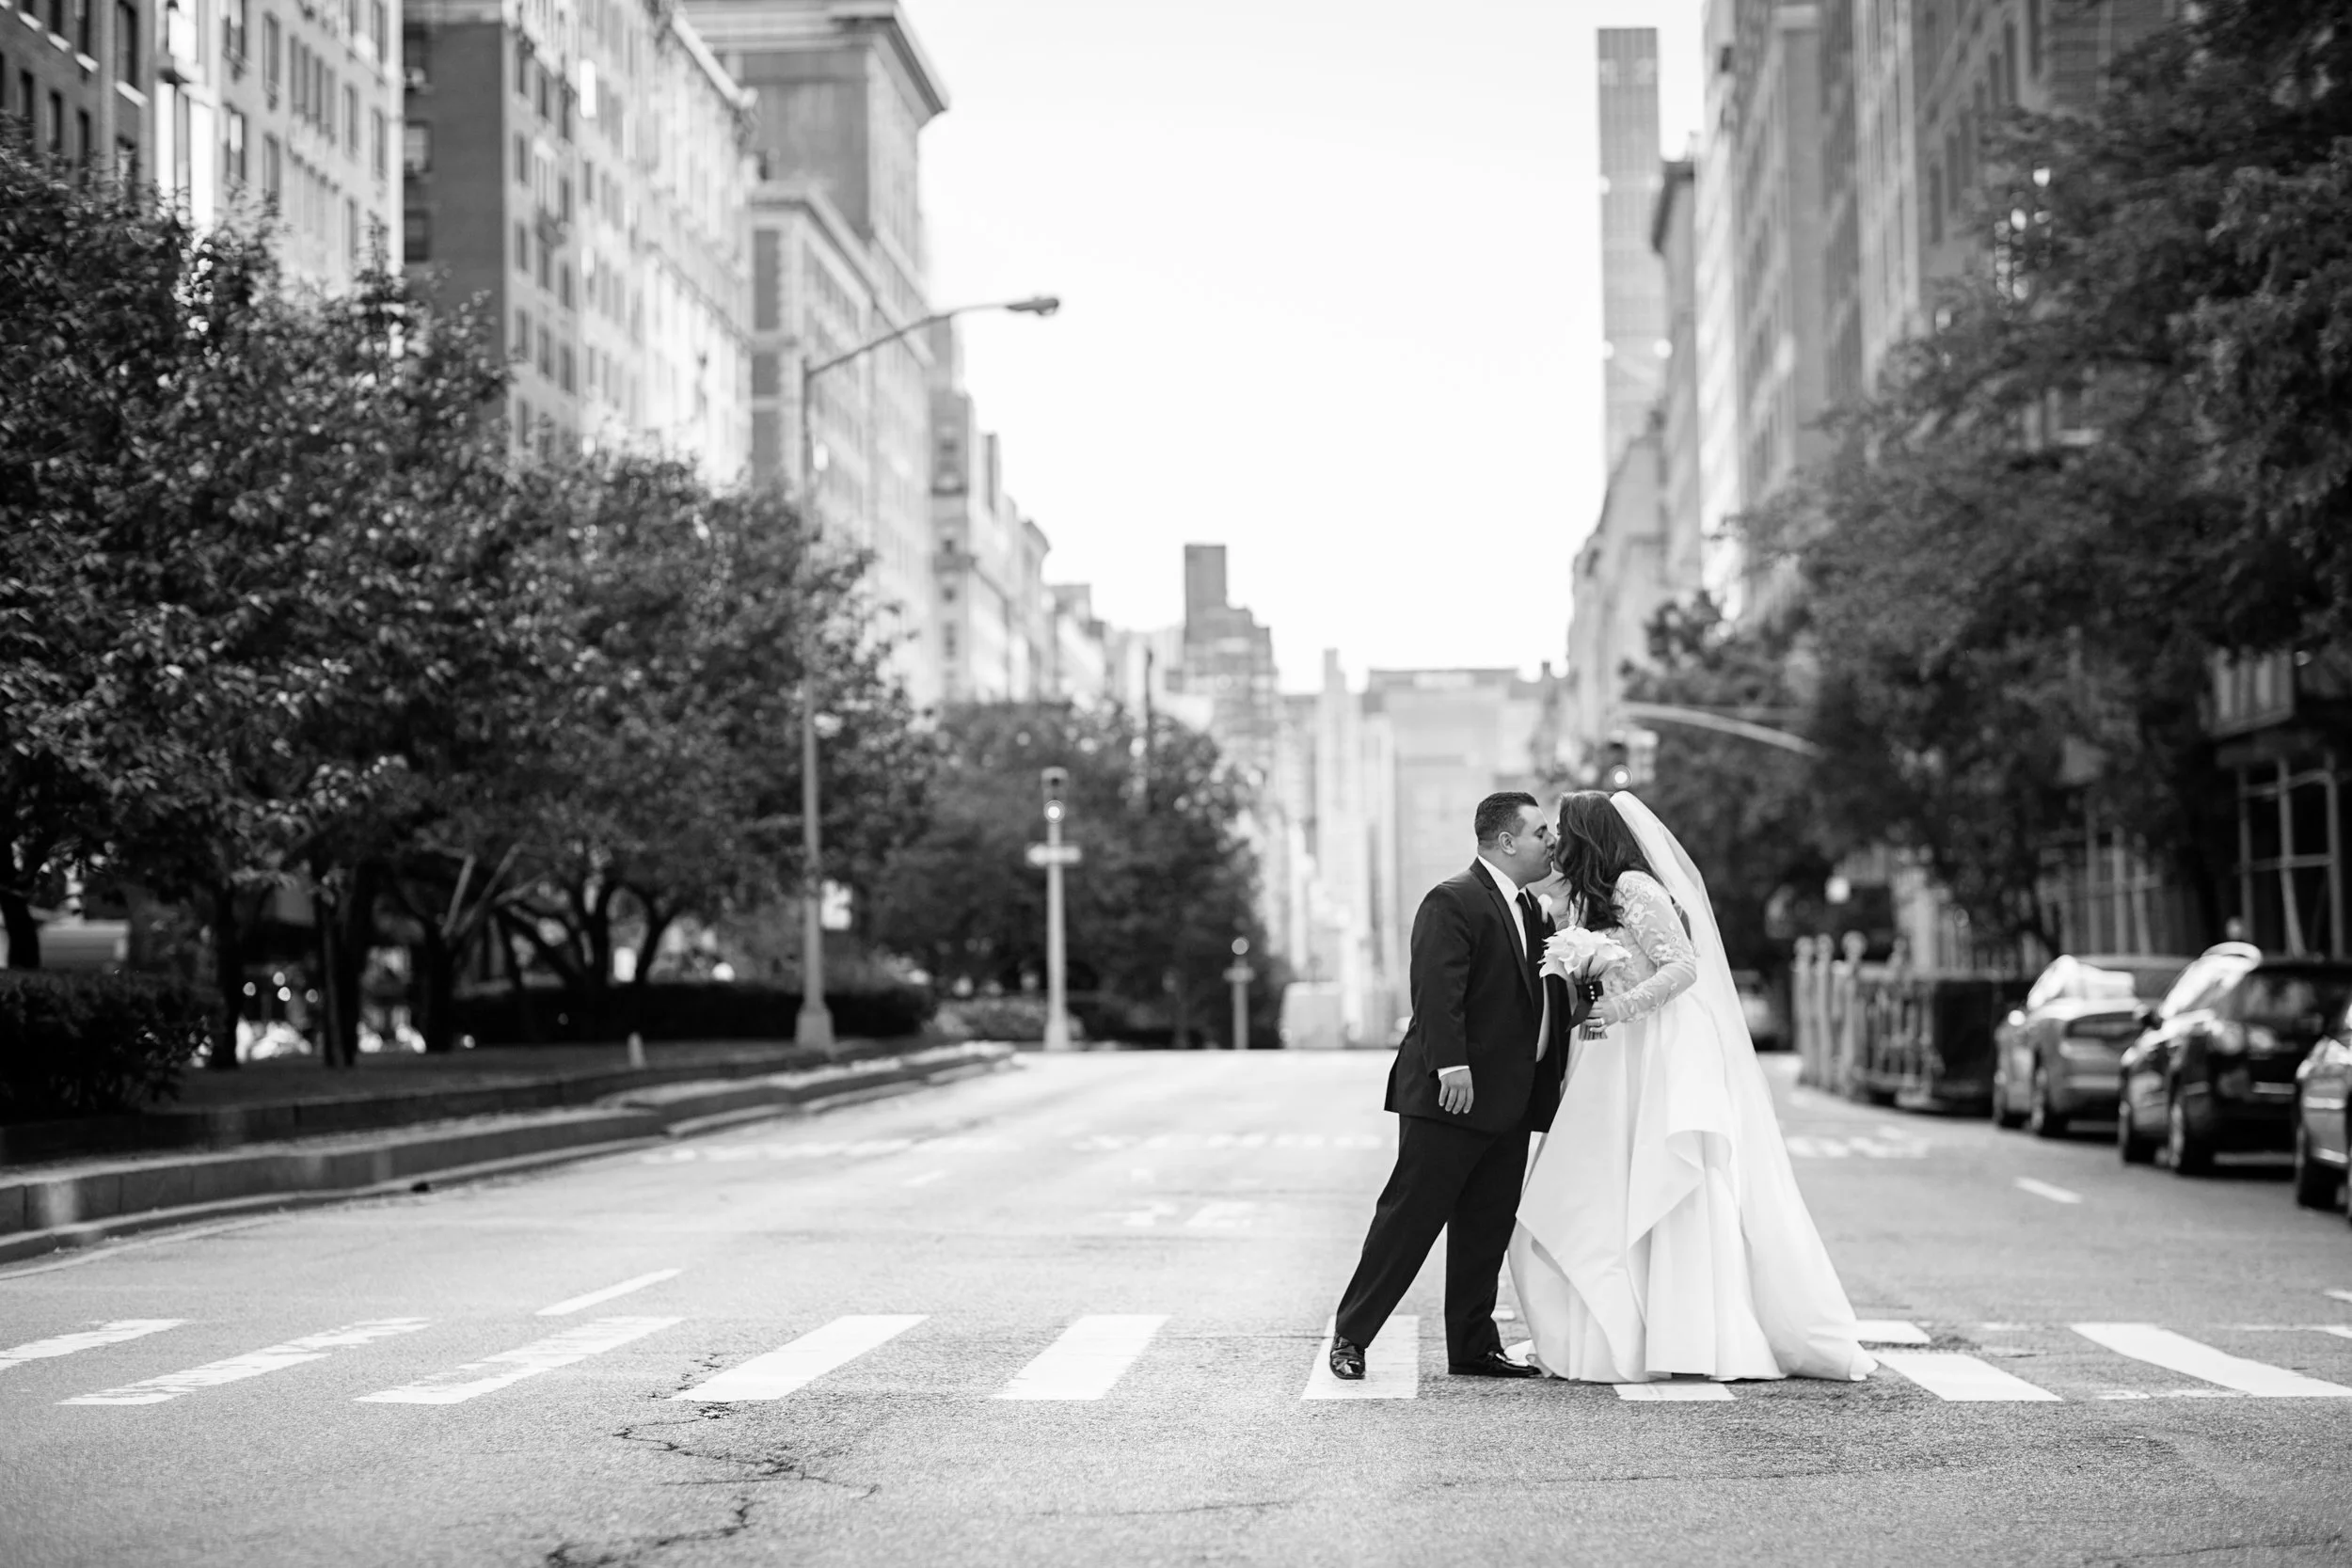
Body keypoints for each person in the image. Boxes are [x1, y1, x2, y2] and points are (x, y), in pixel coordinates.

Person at [1508, 790, 1877, 1384]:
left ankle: (1679, 1335)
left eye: (1563, 831)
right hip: (1606, 1054)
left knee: (1660, 1180)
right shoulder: (1583, 898)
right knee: (1595, 1183)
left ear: (1589, 836)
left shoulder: (1635, 887)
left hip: (1653, 1048)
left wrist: (1622, 1006)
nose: (1556, 842)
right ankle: (1606, 1331)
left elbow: (1682, 966)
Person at [1327, 791, 1597, 1381]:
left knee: (1486, 1225)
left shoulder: (1534, 910)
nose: (1552, 842)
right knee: (1410, 1219)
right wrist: (1452, 1066)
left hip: (1511, 1097)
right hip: (1453, 1094)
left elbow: (1538, 1000)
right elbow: (1436, 990)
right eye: (1540, 833)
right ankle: (1351, 1335)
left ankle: (1473, 1347)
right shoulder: (1453, 900)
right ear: (1505, 842)